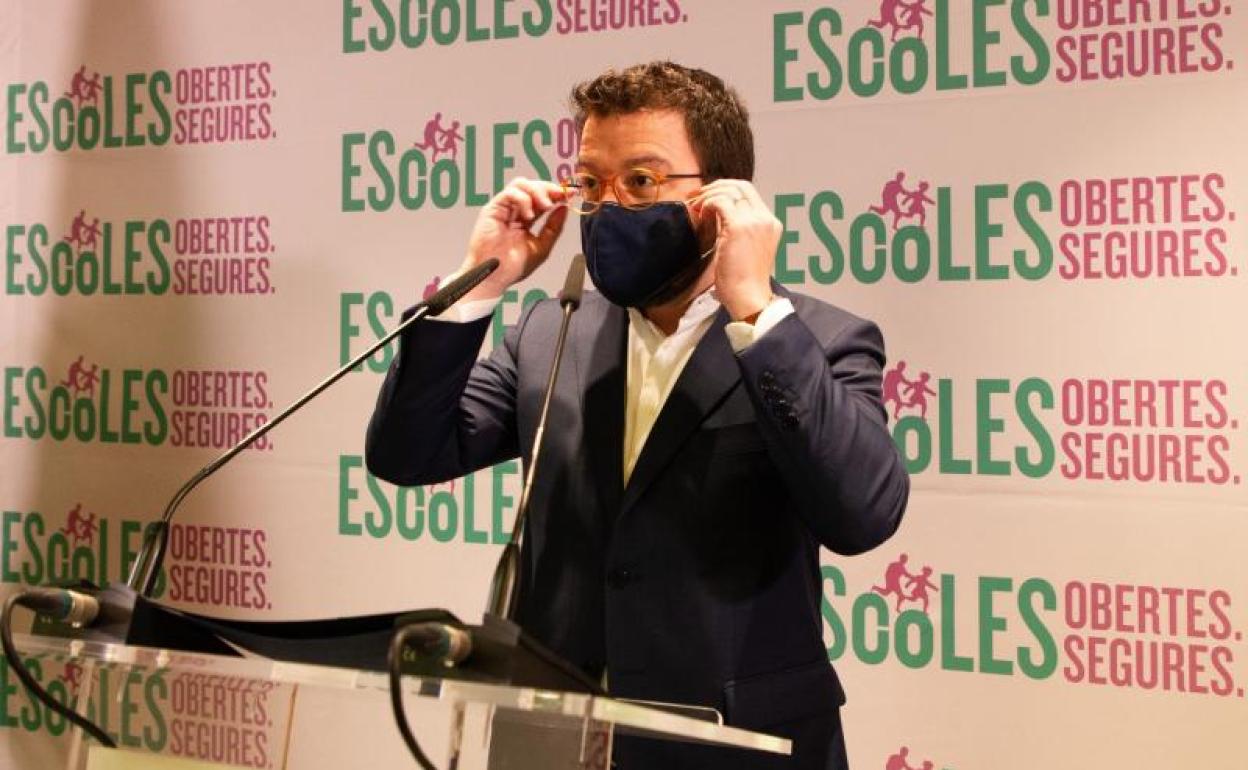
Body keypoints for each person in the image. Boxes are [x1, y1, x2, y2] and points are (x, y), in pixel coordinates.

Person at [367, 61, 909, 769]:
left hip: (735, 746)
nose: (609, 206)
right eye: (591, 184)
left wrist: (756, 313)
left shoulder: (816, 341)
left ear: (723, 199)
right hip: (555, 741)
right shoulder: (551, 330)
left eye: (642, 181)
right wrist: (478, 282)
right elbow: (408, 452)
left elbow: (863, 513)